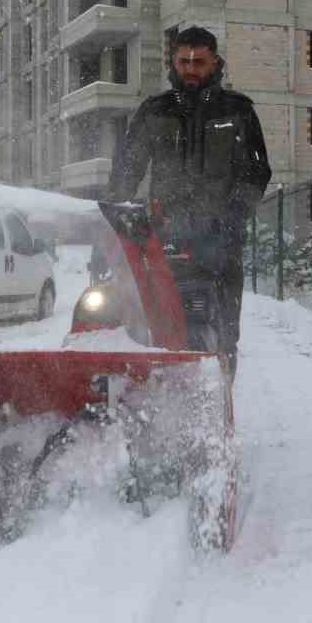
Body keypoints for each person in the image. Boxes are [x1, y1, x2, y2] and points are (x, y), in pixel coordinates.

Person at [108, 26, 272, 375]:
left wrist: (234, 214)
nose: (191, 69)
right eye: (184, 61)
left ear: (215, 62)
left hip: (221, 241)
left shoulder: (238, 112)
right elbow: (127, 168)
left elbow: (256, 172)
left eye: (199, 61)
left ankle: (222, 392)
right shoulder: (155, 111)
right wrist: (119, 212)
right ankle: (155, 387)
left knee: (224, 330)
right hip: (163, 238)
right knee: (153, 323)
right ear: (174, 62)